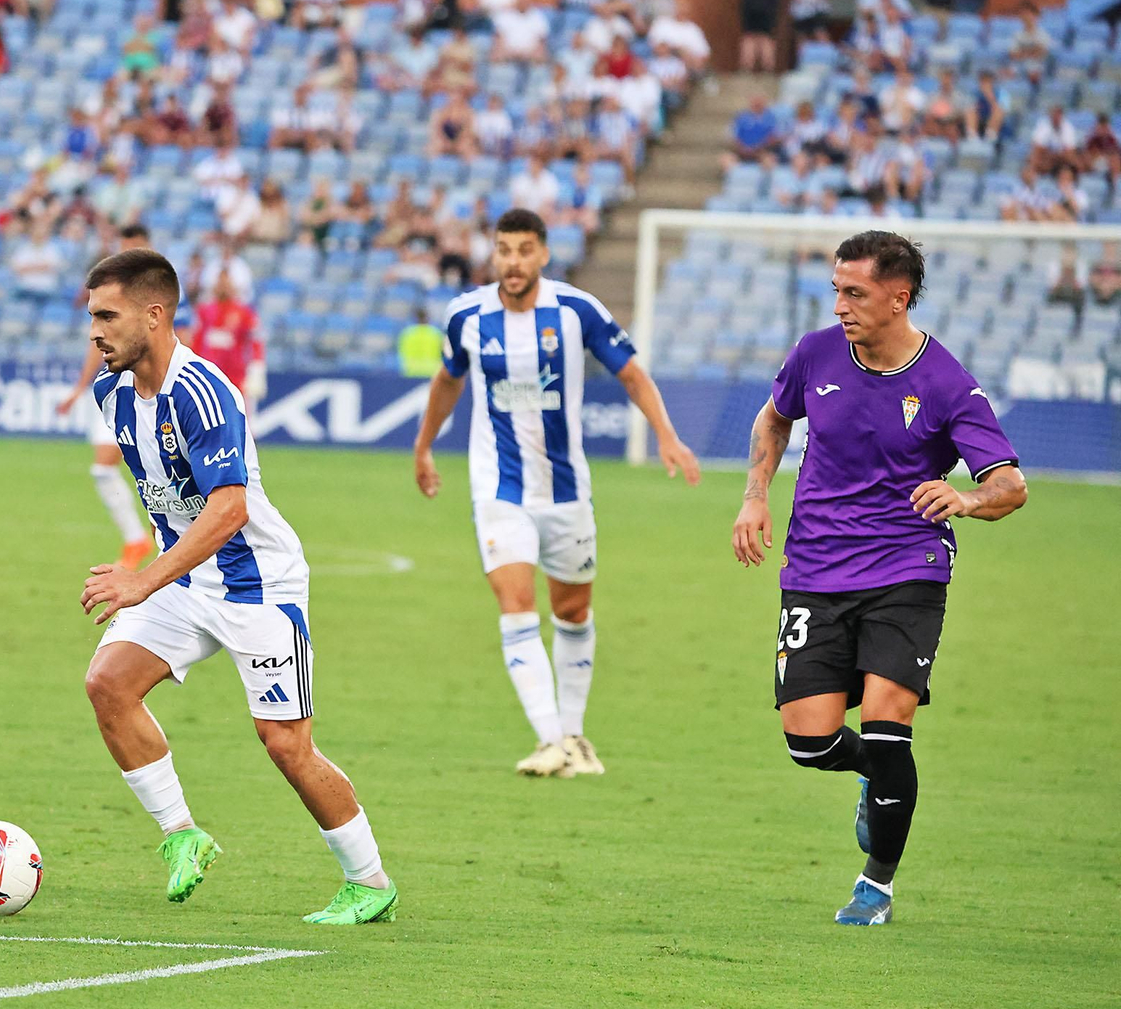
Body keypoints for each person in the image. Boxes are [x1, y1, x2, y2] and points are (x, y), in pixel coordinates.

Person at [79, 248, 398, 925]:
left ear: (155, 314)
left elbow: (229, 509)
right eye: (91, 318)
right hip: (182, 578)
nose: (96, 332)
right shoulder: (111, 394)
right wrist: (158, 577)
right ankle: (182, 834)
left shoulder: (204, 391)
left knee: (285, 743)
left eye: (108, 316)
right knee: (108, 682)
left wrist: (141, 579)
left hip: (258, 585)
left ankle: (369, 880)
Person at [731, 230, 1027, 926]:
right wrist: (753, 493)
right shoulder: (815, 354)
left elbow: (1010, 485)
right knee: (809, 741)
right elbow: (774, 419)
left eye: (855, 292)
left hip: (907, 569)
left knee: (890, 723)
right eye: (837, 289)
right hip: (814, 566)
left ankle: (876, 886)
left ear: (899, 298)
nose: (840, 304)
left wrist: (965, 497)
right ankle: (874, 773)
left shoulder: (947, 383)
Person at [411, 208, 701, 778]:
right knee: (516, 605)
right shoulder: (466, 316)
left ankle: (573, 735)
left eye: (524, 250)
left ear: (543, 254)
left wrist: (668, 436)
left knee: (573, 611)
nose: (512, 262)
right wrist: (424, 447)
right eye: (503, 249)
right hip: (499, 487)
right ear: (493, 255)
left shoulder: (576, 311)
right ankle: (550, 739)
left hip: (566, 490)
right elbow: (448, 380)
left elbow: (632, 374)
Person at [58, 223, 157, 572]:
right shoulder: (110, 289)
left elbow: (182, 336)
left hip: (149, 388)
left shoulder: (161, 291)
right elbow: (97, 343)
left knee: (155, 467)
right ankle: (136, 538)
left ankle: (164, 537)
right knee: (103, 468)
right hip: (113, 389)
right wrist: (79, 389)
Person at [190, 267, 266, 405]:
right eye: (220, 282)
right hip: (208, 377)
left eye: (227, 282)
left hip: (236, 377)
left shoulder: (244, 312)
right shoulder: (204, 311)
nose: (223, 287)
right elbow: (195, 340)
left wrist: (257, 367)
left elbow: (256, 340)